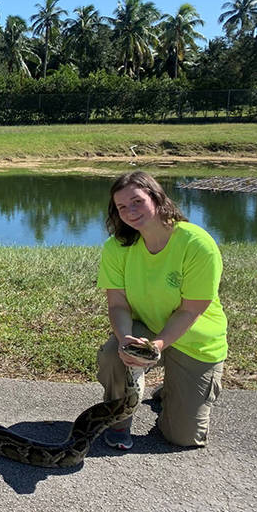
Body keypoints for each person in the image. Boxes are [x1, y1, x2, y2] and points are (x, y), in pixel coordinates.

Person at [96, 170, 226, 451]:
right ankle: (118, 421)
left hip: (195, 340)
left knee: (183, 438)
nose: (130, 211)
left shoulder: (196, 244)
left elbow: (191, 311)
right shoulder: (118, 247)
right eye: (122, 207)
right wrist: (125, 339)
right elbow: (117, 304)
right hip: (146, 328)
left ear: (156, 198)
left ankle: (169, 393)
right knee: (112, 356)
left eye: (137, 201)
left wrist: (157, 346)